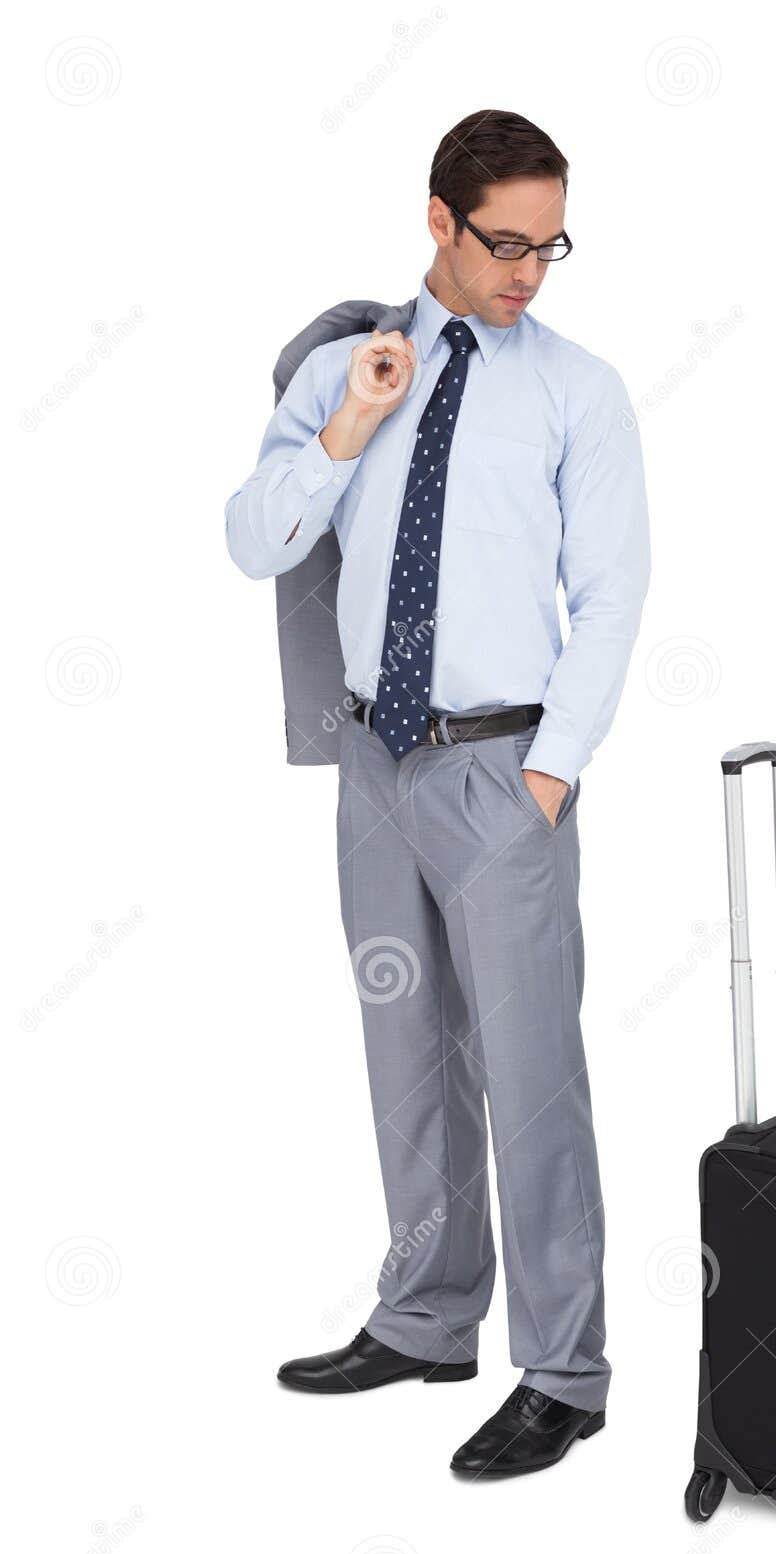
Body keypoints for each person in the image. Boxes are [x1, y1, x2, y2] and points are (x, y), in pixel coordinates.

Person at [225, 109, 651, 1478]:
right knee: (408, 1062)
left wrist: (548, 775)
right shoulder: (350, 365)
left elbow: (614, 593)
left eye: (551, 243)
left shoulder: (579, 390)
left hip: (498, 768)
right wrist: (351, 422)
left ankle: (567, 1371)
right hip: (373, 763)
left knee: (529, 1081)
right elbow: (254, 538)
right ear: (439, 222)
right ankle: (424, 1316)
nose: (530, 270)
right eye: (506, 241)